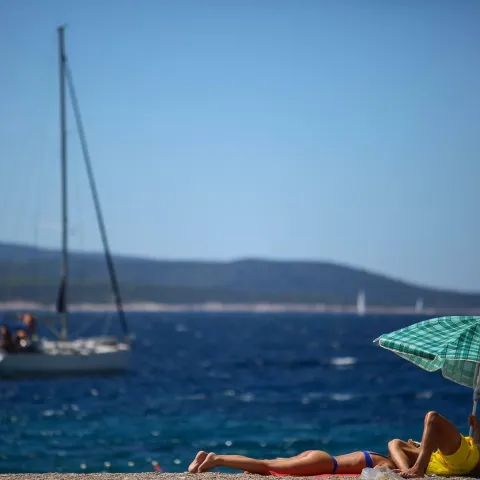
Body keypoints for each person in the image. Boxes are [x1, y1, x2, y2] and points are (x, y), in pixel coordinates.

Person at [388, 411, 480, 478]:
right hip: (439, 463)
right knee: (394, 443)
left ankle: (417, 469)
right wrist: (477, 429)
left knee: (432, 417)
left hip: (464, 458)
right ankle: (406, 471)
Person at [188, 448, 395, 475]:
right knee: (265, 466)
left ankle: (206, 457)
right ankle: (216, 460)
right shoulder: (389, 463)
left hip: (320, 457)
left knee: (264, 463)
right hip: (324, 463)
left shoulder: (378, 454)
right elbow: (382, 474)